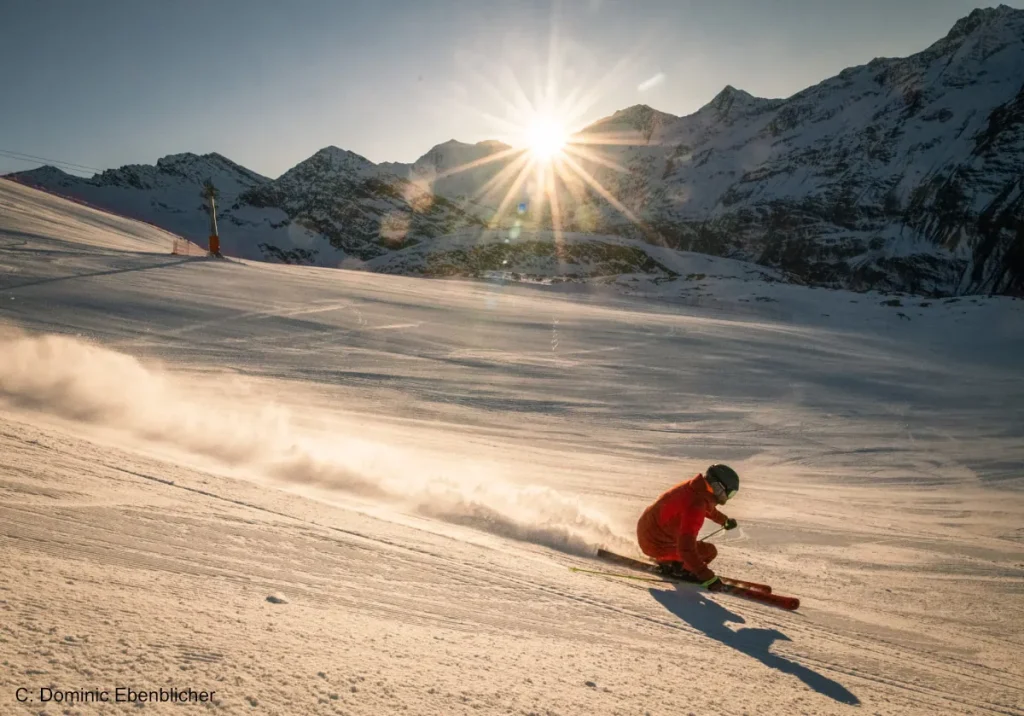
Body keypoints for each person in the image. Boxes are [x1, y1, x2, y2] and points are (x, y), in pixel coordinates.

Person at [636, 464, 740, 592]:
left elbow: (706, 508)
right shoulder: (696, 505)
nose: (727, 498)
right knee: (709, 551)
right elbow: (686, 549)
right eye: (729, 494)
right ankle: (680, 570)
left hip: (647, 531)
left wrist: (724, 521)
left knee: (698, 549)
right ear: (719, 488)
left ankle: (673, 563)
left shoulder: (695, 488)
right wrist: (706, 576)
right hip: (656, 545)